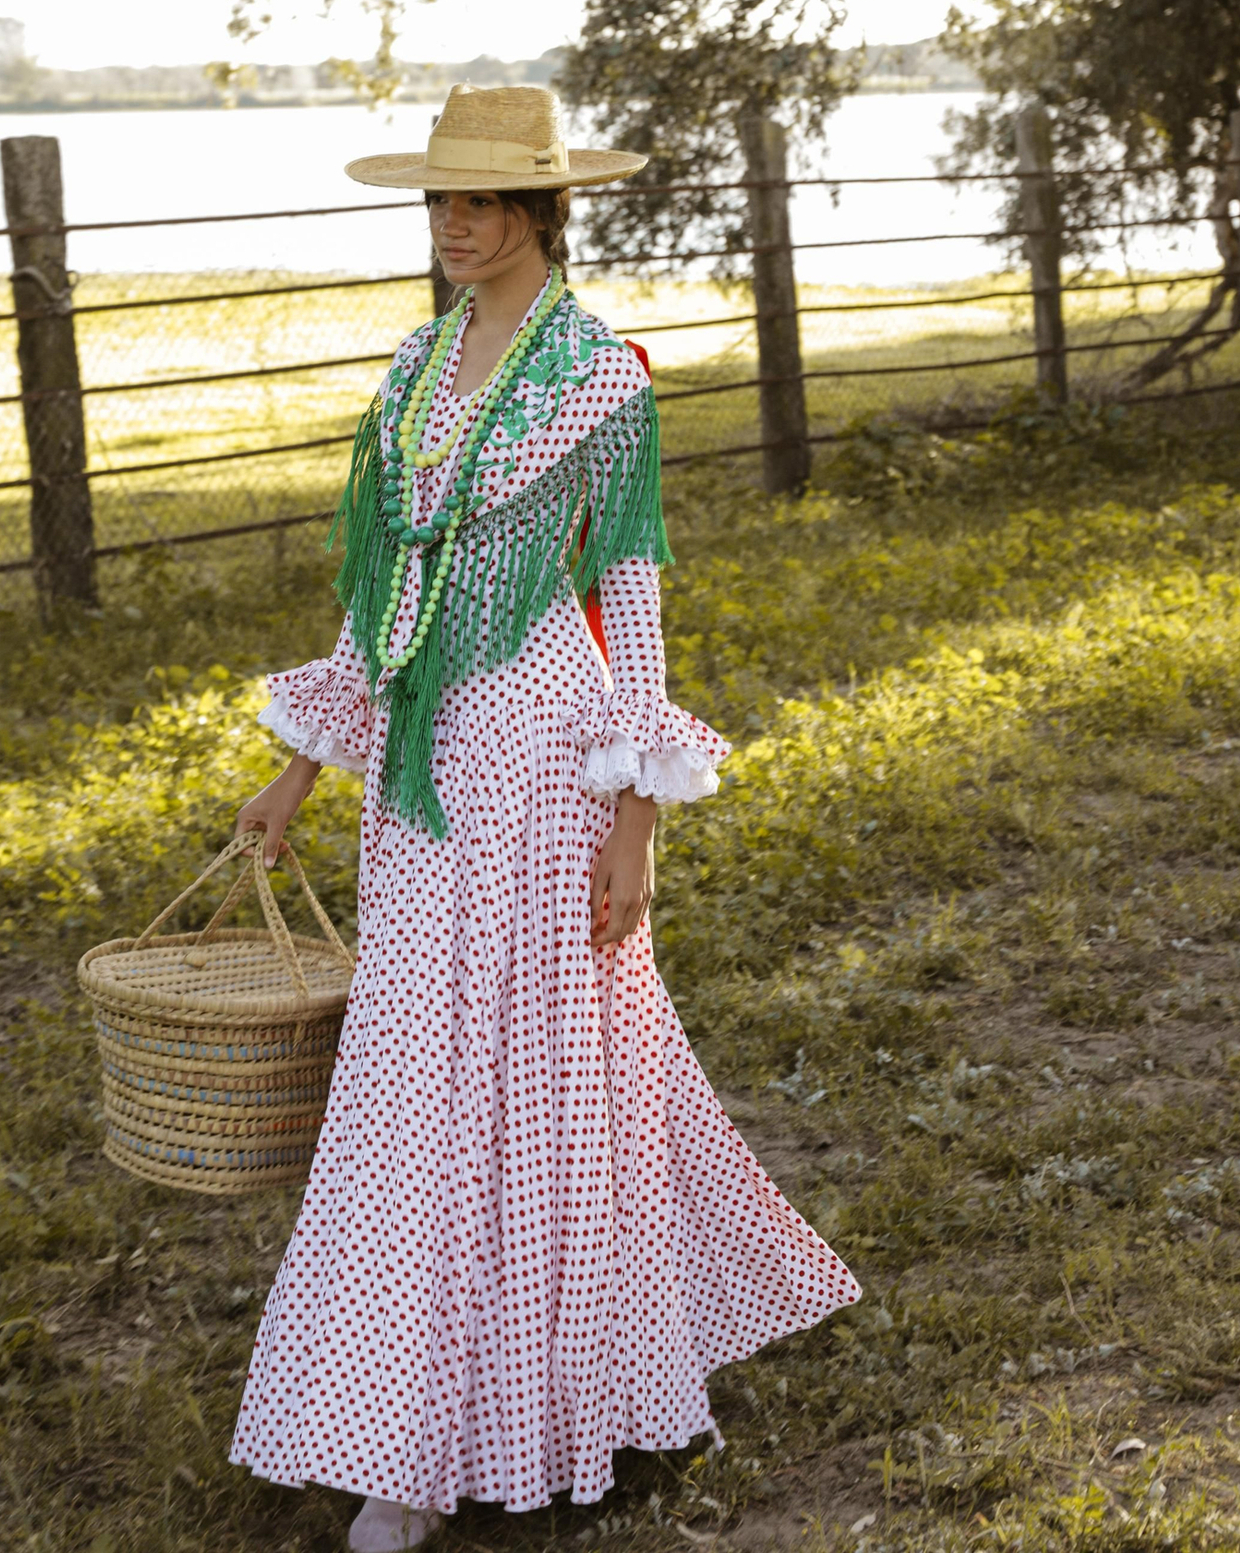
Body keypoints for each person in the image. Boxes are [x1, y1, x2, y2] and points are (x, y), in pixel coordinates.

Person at [229, 85, 859, 1549]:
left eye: (483, 202)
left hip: (540, 753)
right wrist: (301, 765)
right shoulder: (413, 371)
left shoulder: (600, 376)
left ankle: (497, 1420)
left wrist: (637, 811)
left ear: (542, 210)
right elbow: (382, 594)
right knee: (412, 1080)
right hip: (419, 767)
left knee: (543, 1077)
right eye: (439, 202)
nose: (455, 225)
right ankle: (399, 1406)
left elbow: (629, 585)